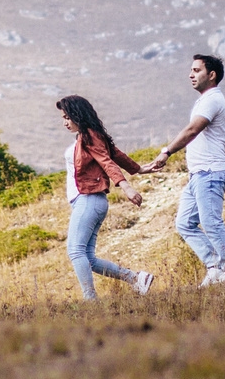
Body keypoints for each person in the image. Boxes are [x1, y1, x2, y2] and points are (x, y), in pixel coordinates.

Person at [144, 52, 225, 284]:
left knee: (211, 222)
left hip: (209, 173)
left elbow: (192, 130)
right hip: (200, 175)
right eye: (191, 70)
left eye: (197, 70)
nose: (191, 74)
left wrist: (166, 152)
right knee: (185, 223)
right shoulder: (206, 101)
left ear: (211, 75)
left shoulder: (212, 99)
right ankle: (215, 266)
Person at [56, 94, 154, 298]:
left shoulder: (89, 136)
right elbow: (115, 154)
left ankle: (90, 300)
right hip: (88, 202)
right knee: (88, 259)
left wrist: (126, 187)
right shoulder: (88, 136)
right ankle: (136, 279)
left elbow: (107, 162)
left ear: (77, 114)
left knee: (75, 251)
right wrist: (138, 169)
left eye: (67, 117)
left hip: (89, 200)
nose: (64, 122)